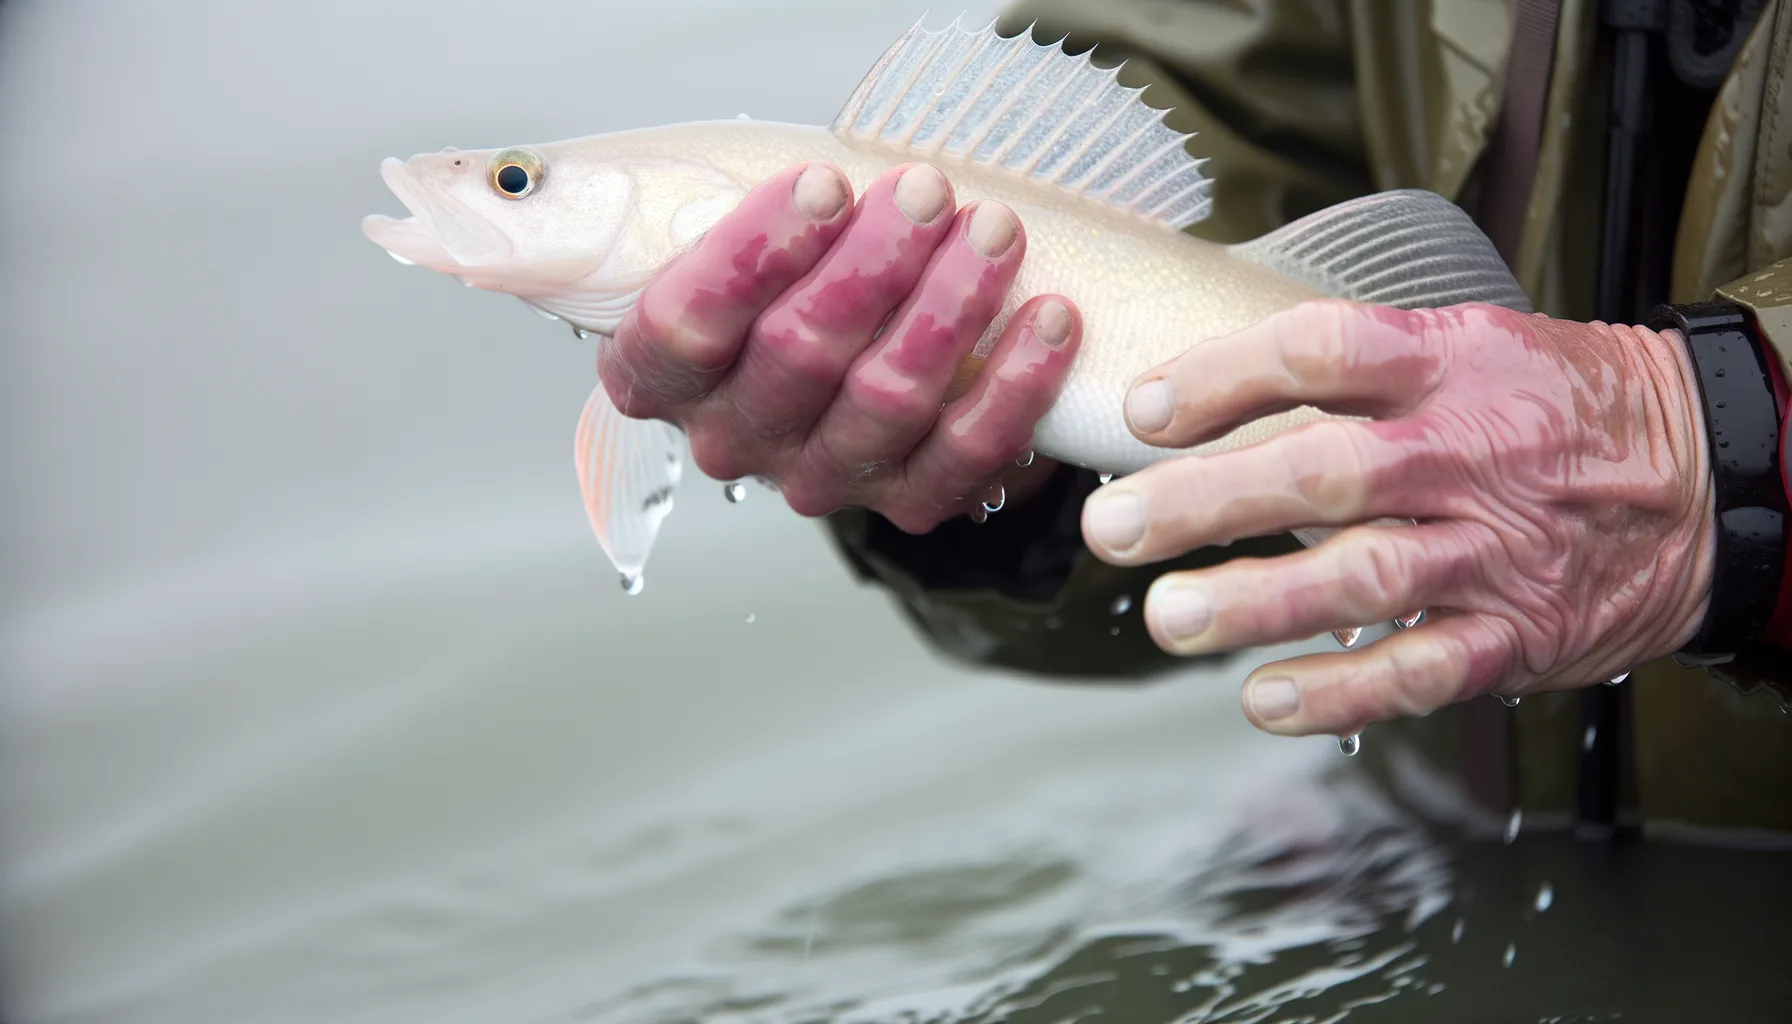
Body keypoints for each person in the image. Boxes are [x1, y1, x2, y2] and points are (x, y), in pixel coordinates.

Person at [597, 0, 1792, 839]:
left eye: (512, 182)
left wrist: (1737, 448)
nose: (453, 189)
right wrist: (987, 474)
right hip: (1448, 810)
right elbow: (1195, 90)